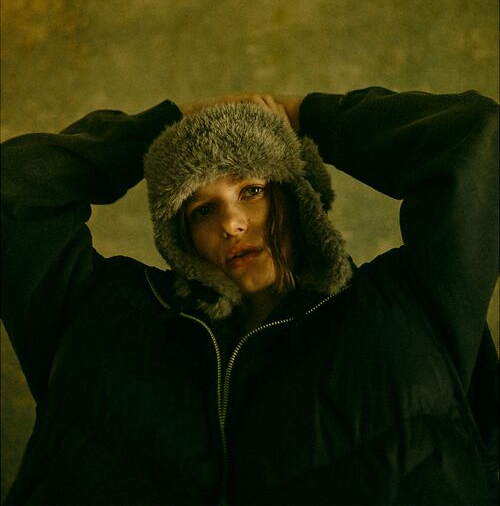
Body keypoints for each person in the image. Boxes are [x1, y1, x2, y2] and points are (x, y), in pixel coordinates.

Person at [1, 87, 498, 505]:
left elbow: (475, 137)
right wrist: (159, 134)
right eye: (201, 210)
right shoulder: (102, 313)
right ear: (180, 237)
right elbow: (14, 188)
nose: (232, 223)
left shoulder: (408, 300)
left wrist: (304, 118)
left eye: (252, 191)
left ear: (298, 197)